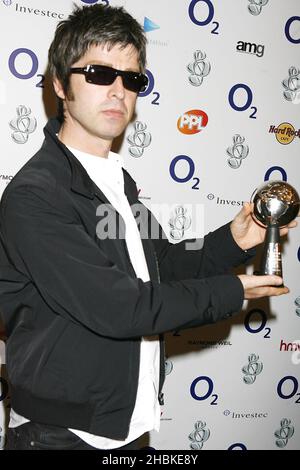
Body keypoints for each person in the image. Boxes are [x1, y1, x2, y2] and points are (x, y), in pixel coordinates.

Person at [0, 4, 296, 451]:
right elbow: (120, 307)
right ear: (60, 84)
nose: (118, 90)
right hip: (60, 435)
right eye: (99, 73)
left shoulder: (115, 181)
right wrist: (232, 292)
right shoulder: (36, 195)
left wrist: (235, 239)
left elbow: (162, 264)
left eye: (132, 78)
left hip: (128, 426)